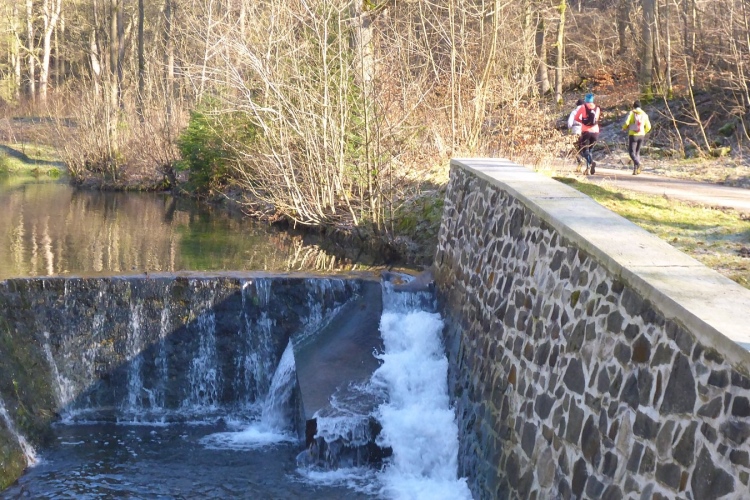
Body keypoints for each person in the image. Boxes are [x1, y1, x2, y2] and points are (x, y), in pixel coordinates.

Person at [572, 93, 601, 174]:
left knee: (585, 151)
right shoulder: (597, 108)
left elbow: (576, 118)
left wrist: (583, 122)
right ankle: (588, 169)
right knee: (590, 150)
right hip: (595, 132)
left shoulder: (583, 107)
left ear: (585, 99)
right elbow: (596, 119)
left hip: (586, 132)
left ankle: (591, 163)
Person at [621, 100, 651, 175]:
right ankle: (636, 170)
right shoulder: (644, 114)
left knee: (631, 153)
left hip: (633, 135)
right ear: (640, 107)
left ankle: (638, 163)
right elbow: (649, 126)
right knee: (637, 152)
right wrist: (644, 131)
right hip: (642, 135)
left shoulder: (631, 113)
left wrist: (624, 128)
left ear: (633, 106)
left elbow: (626, 123)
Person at [567, 99, 584, 168]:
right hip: (583, 131)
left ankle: (579, 160)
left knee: (573, 147)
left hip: (575, 130)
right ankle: (581, 164)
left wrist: (570, 128)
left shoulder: (574, 112)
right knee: (582, 147)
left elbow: (569, 122)